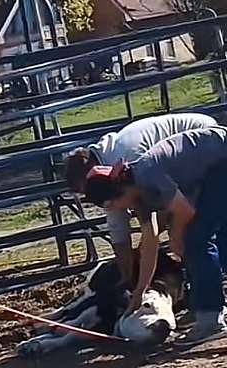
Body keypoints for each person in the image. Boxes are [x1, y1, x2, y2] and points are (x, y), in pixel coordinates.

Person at [83, 125, 227, 346]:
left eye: (114, 206)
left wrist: (177, 236)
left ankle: (211, 319)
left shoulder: (147, 176)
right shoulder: (138, 193)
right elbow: (149, 243)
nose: (120, 210)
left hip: (221, 158)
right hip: (216, 162)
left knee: (196, 239)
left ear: (113, 199)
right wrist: (140, 291)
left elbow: (185, 211)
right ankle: (208, 308)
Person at [65, 112, 219, 284]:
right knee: (188, 228)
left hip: (202, 143)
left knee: (194, 232)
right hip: (187, 158)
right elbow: (118, 227)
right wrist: (127, 278)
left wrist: (170, 233)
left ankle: (207, 295)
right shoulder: (110, 178)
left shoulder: (131, 158)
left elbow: (156, 219)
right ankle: (201, 284)